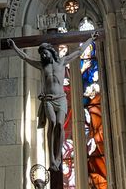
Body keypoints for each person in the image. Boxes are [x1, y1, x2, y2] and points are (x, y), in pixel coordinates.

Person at [7, 33, 97, 171]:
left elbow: (78, 52)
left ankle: (58, 157)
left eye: (44, 53)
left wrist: (90, 39)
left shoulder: (62, 62)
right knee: (53, 123)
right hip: (48, 100)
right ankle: (52, 159)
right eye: (41, 54)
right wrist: (14, 47)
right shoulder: (43, 67)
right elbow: (25, 57)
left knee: (60, 125)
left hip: (61, 99)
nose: (43, 56)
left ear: (51, 51)